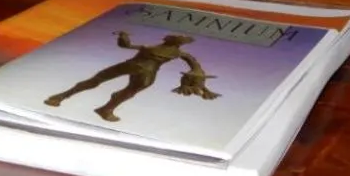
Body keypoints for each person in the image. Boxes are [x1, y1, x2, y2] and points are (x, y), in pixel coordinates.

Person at [43, 32, 219, 122]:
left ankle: (64, 98)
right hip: (145, 73)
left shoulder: (151, 48)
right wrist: (196, 80)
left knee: (103, 83)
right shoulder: (175, 52)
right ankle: (102, 108)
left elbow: (125, 46)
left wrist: (194, 80)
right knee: (117, 88)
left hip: (139, 69)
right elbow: (195, 65)